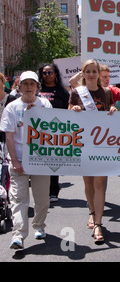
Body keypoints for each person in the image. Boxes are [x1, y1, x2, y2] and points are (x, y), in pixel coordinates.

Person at [0, 71, 53, 250]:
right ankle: (18, 235)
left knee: (42, 199)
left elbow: (53, 130)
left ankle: (39, 226)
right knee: (18, 199)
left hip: (40, 161)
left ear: (37, 87)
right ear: (19, 87)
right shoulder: (12, 108)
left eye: (32, 84)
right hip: (19, 160)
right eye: (25, 84)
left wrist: (37, 114)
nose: (29, 87)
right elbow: (9, 137)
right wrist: (15, 161)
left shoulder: (44, 104)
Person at [69, 59, 117, 244]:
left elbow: (109, 110)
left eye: (93, 71)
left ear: (98, 73)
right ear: (83, 73)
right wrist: (74, 109)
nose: (90, 74)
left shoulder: (105, 92)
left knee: (99, 183)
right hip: (82, 142)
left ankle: (98, 223)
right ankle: (92, 212)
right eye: (87, 71)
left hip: (101, 142)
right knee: (88, 183)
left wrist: (112, 109)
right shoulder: (76, 93)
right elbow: (67, 115)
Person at [37, 64, 70, 203]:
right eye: (44, 73)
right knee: (40, 162)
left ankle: (53, 191)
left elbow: (67, 109)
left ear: (56, 74)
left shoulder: (62, 91)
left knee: (53, 162)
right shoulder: (37, 89)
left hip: (56, 131)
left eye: (50, 72)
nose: (47, 75)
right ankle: (41, 191)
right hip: (38, 131)